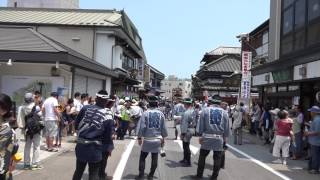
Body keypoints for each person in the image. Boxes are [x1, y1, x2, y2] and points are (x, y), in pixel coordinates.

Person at [72, 90, 114, 180]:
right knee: (94, 173)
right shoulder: (108, 115)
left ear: (96, 99)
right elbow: (108, 136)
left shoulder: (85, 108)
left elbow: (76, 124)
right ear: (106, 101)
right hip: (95, 147)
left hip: (81, 144)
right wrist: (108, 148)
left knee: (79, 170)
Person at [193, 95, 229, 180]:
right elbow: (226, 128)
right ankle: (214, 177)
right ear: (220, 102)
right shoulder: (225, 113)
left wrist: (200, 136)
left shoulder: (205, 111)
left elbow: (201, 126)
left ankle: (199, 175)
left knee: (202, 156)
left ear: (211, 101)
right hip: (219, 137)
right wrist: (225, 139)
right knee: (217, 158)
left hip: (207, 137)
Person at [136, 96, 168, 179]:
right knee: (155, 157)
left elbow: (142, 127)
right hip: (157, 139)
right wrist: (163, 138)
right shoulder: (161, 114)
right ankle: (150, 175)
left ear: (149, 104)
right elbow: (163, 127)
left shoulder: (145, 113)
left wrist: (139, 138)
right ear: (157, 104)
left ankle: (141, 175)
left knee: (143, 157)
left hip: (147, 139)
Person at [17, 93, 43, 170]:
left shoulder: (21, 107)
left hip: (28, 129)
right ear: (32, 99)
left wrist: (23, 128)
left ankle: (26, 164)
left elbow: (20, 119)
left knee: (27, 146)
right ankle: (35, 164)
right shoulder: (36, 107)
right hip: (36, 129)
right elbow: (40, 116)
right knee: (36, 146)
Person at [99, 95, 116, 180]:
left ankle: (98, 173)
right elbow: (110, 125)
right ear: (111, 103)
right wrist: (112, 133)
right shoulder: (108, 112)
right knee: (104, 157)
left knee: (99, 156)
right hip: (105, 137)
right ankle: (101, 174)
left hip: (96, 136)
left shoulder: (99, 109)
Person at [180, 98, 196, 166]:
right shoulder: (193, 111)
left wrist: (182, 133)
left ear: (186, 104)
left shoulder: (186, 113)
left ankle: (188, 161)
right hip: (192, 129)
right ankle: (185, 159)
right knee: (186, 145)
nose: (183, 105)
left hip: (187, 130)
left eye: (184, 103)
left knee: (186, 146)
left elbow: (184, 124)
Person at [304, 106, 320, 174]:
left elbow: (317, 132)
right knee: (313, 155)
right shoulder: (316, 119)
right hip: (314, 141)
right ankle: (311, 167)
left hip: (316, 141)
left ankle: (315, 169)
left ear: (313, 112)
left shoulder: (317, 120)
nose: (310, 112)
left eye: (311, 111)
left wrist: (308, 133)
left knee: (315, 156)